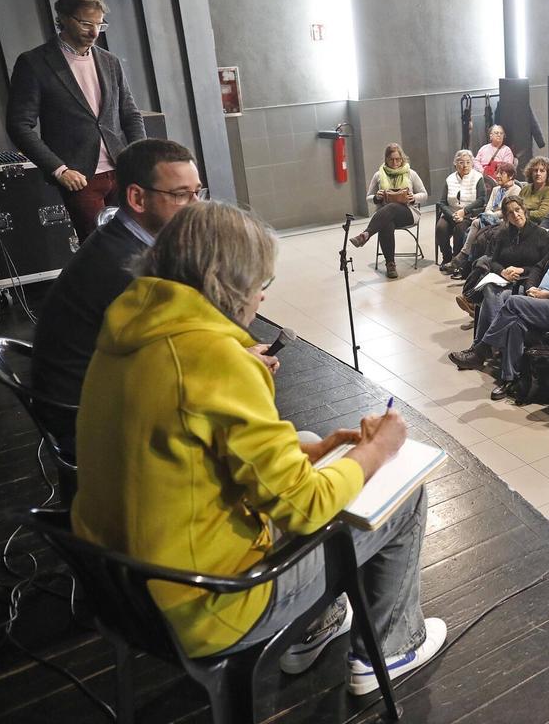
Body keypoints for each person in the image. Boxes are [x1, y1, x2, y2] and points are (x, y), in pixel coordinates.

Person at [70, 201, 446, 685]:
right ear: (223, 282)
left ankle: (316, 626)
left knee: (309, 439)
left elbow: (195, 445)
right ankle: (391, 649)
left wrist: (313, 452)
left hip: (120, 586)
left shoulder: (129, 328)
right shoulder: (215, 359)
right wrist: (378, 450)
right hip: (207, 604)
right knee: (404, 497)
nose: (261, 300)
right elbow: (305, 507)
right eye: (259, 284)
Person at [31, 138, 210, 446]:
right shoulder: (127, 268)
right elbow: (169, 367)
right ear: (137, 198)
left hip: (95, 395)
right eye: (181, 195)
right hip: (90, 422)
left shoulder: (120, 238)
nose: (195, 206)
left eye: (197, 192)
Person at [6, 0, 145, 240]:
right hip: (80, 177)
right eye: (85, 24)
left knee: (138, 243)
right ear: (63, 18)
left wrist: (141, 161)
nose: (94, 32)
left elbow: (130, 114)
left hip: (123, 170)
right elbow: (19, 125)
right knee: (100, 252)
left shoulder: (110, 62)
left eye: (100, 25)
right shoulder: (34, 63)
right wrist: (60, 170)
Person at [449, 209, 549, 400]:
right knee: (515, 323)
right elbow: (539, 267)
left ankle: (481, 349)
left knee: (512, 302)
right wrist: (532, 287)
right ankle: (510, 379)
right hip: (536, 299)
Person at [456, 196, 549, 316]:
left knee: (490, 293)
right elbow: (494, 261)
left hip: (524, 281)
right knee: (489, 288)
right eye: (510, 213)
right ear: (506, 217)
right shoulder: (503, 234)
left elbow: (542, 267)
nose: (515, 215)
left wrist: (521, 270)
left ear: (524, 210)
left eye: (517, 209)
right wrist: (502, 272)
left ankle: (489, 327)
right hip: (504, 278)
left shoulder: (540, 235)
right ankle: (493, 330)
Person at [350, 143, 428, 279]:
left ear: (402, 158)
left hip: (408, 212)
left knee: (391, 207)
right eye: (392, 159)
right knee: (386, 223)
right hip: (386, 216)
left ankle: (366, 234)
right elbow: (368, 197)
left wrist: (413, 197)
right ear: (386, 159)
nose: (395, 162)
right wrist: (376, 197)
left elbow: (424, 194)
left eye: (398, 159)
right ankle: (390, 265)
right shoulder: (378, 175)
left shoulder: (410, 173)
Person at [436, 150, 486, 266]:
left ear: (472, 164)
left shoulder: (478, 177)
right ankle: (447, 256)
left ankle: (456, 259)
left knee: (460, 228)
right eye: (461, 162)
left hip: (469, 214)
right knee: (440, 228)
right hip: (451, 213)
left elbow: (482, 199)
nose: (465, 166)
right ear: (455, 164)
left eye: (468, 162)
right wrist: (452, 215)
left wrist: (464, 211)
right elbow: (442, 203)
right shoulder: (450, 179)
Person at [519, 156, 549, 225]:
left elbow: (542, 215)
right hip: (520, 223)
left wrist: (520, 213)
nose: (538, 173)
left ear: (548, 174)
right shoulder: (525, 189)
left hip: (538, 227)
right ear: (531, 173)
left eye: (542, 171)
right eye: (535, 170)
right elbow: (516, 206)